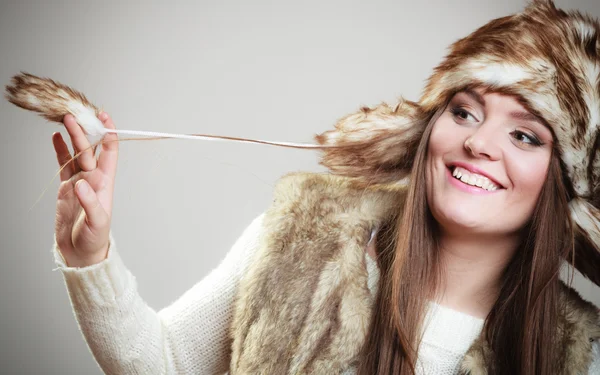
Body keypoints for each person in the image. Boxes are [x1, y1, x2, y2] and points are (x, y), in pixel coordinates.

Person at [51, 1, 600, 374]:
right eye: (464, 111)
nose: (480, 143)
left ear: (563, 184)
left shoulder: (578, 352)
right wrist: (91, 257)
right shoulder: (306, 237)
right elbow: (164, 361)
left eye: (525, 135)